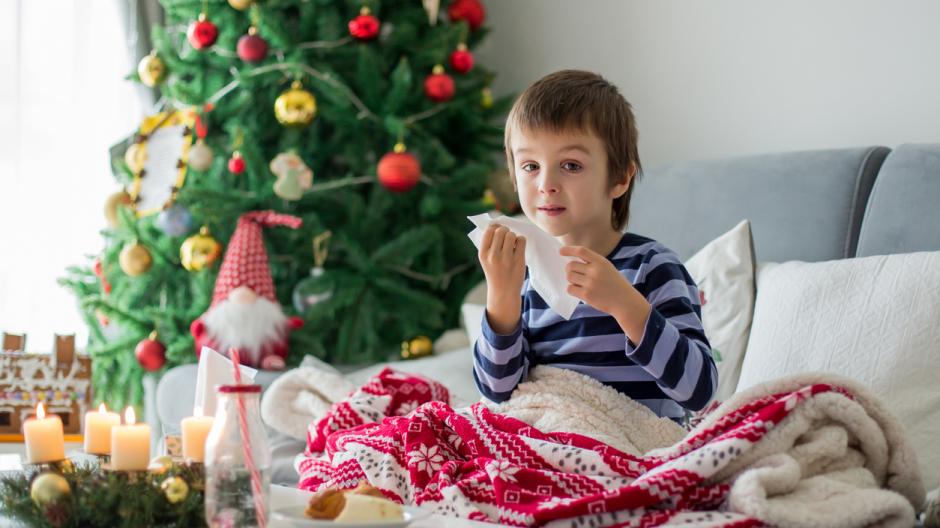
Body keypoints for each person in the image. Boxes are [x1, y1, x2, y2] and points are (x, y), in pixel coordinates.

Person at [474, 70, 717, 421]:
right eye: (530, 165)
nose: (546, 183)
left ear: (619, 178)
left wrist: (625, 305)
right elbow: (498, 393)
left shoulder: (653, 266)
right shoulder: (524, 276)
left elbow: (700, 391)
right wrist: (501, 297)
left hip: (631, 444)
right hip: (545, 440)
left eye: (570, 165)